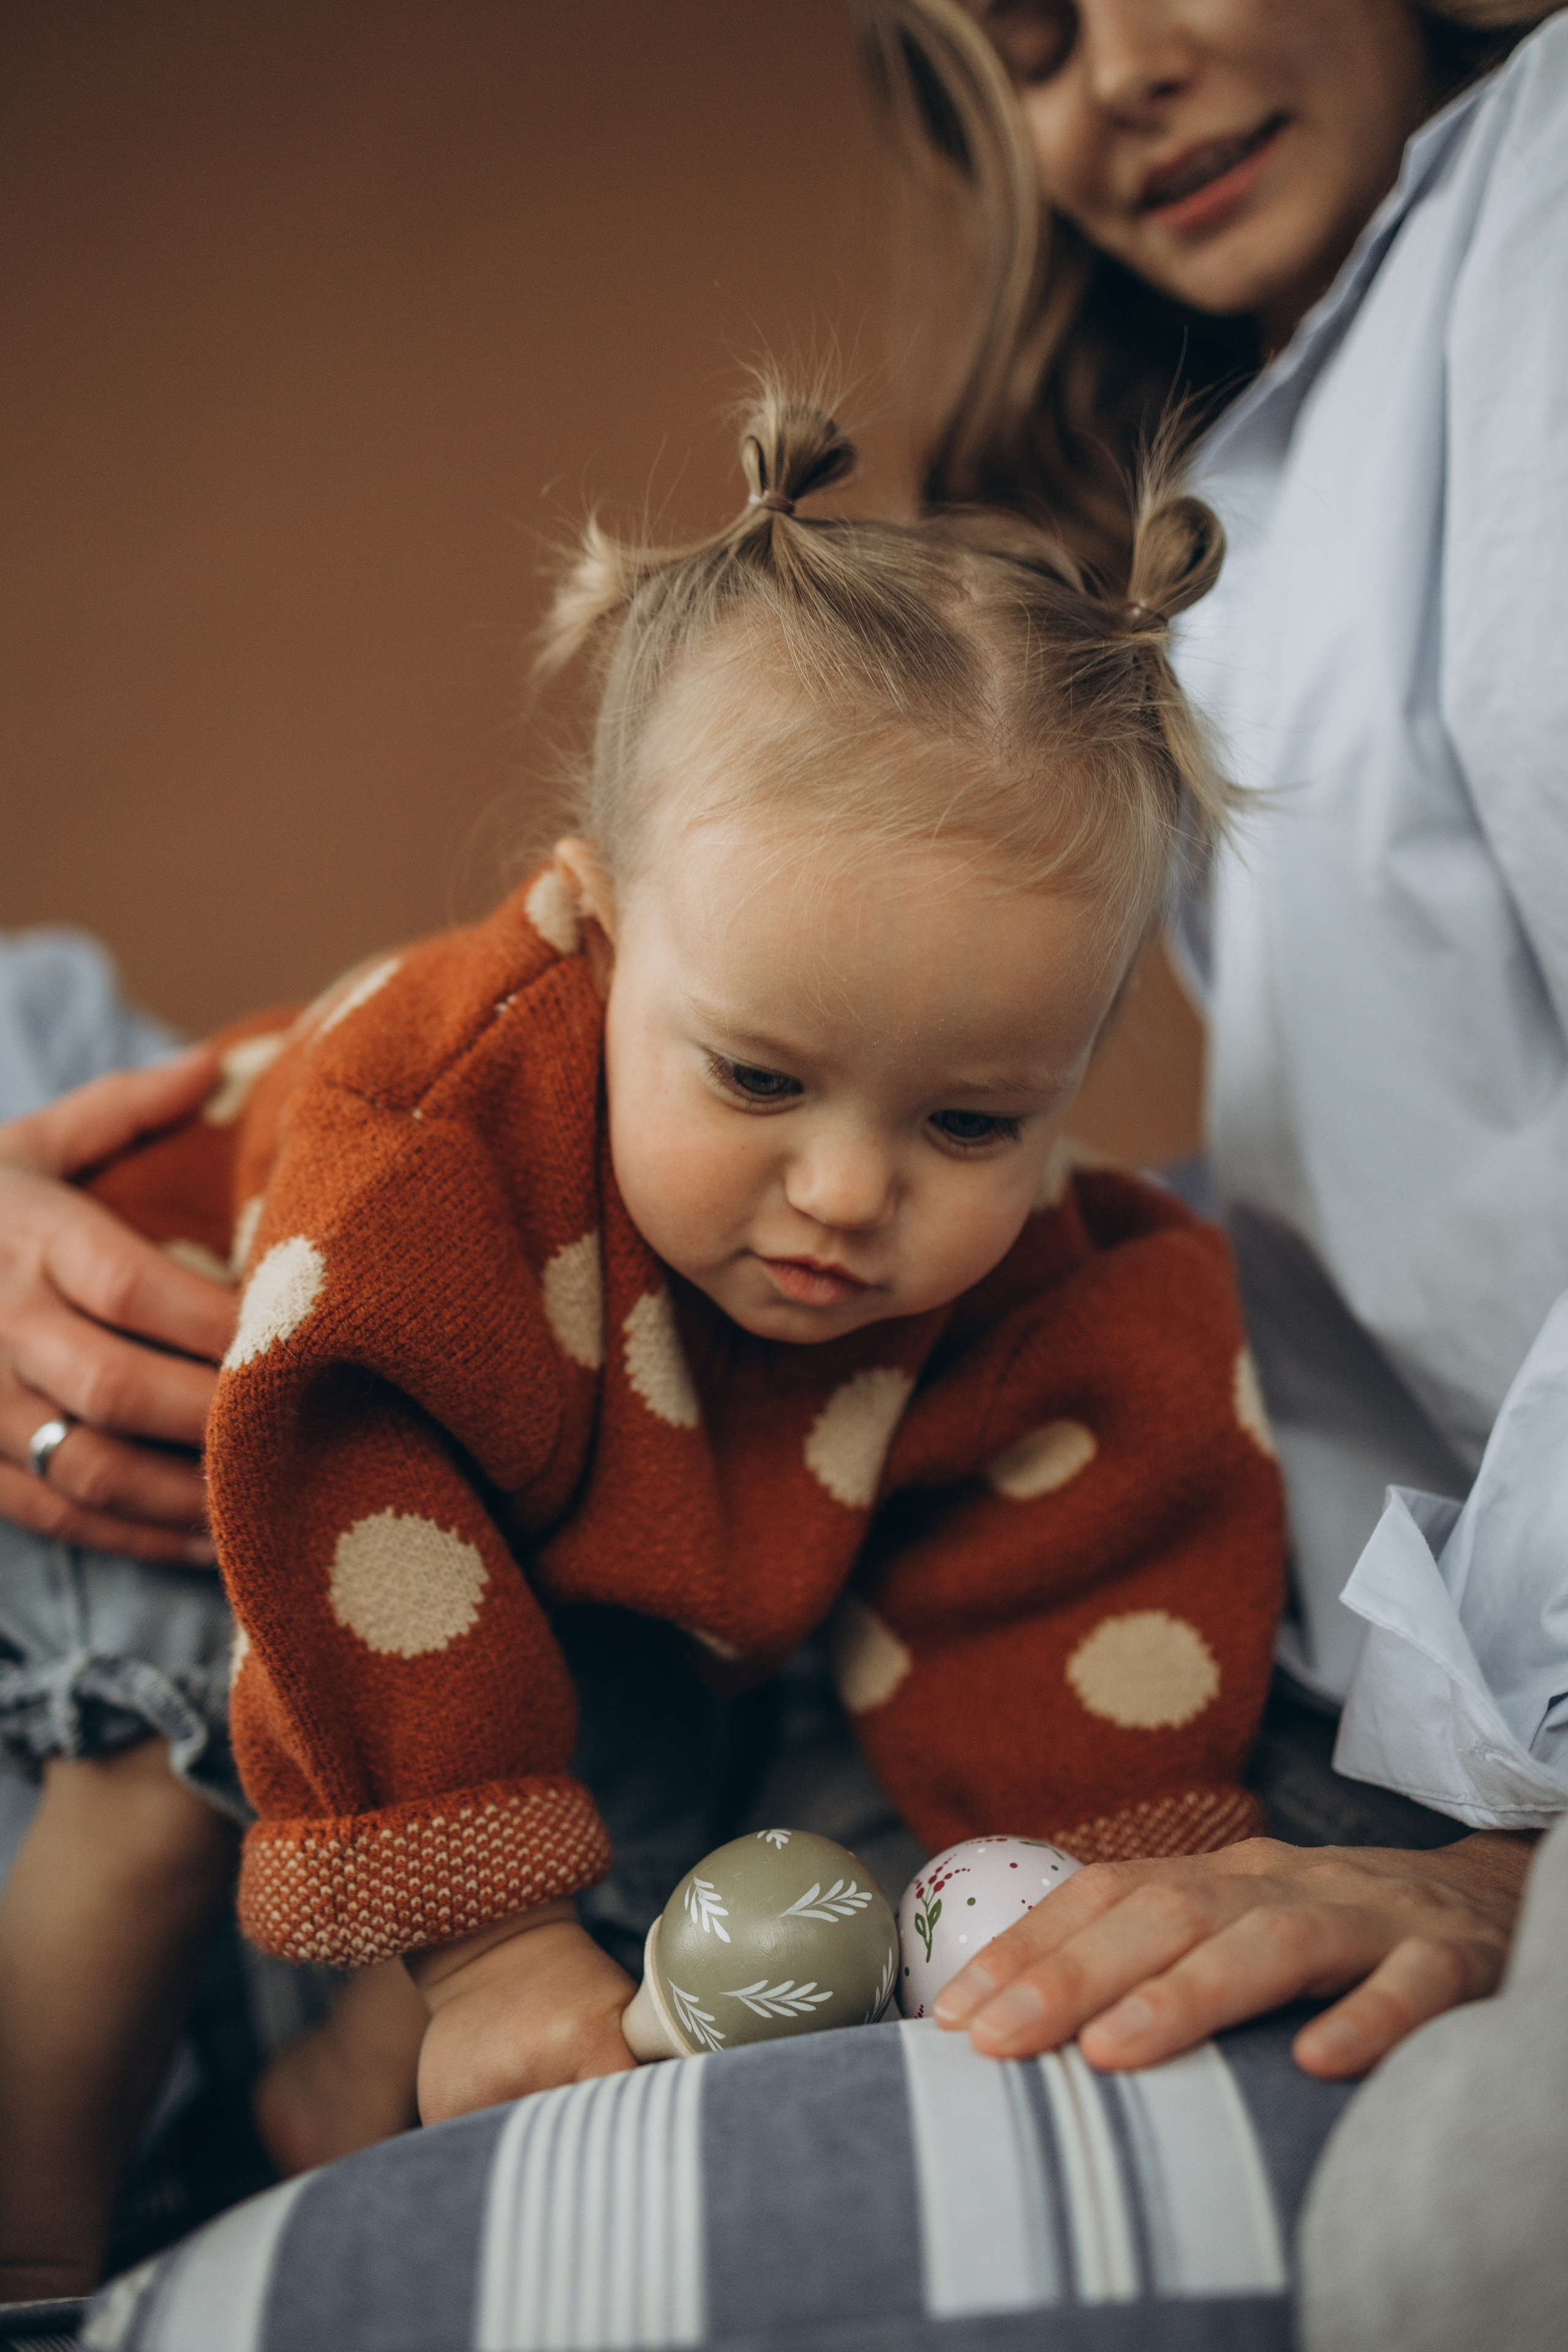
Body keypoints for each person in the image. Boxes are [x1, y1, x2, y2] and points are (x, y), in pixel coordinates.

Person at [2, 375, 1292, 2282]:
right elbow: (351, 1502)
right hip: (215, 1427)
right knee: (167, 1743)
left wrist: (1112, 1861)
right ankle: (38, 2241)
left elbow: (1092, 1531)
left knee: (648, 1804)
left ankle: (329, 2097)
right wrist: (490, 1945)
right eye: (758, 1078)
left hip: (562, 1522)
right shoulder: (434, 1148)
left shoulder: (1050, 1279)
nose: (846, 1192)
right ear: (598, 931)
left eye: (969, 1122)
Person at [848, 0, 1564, 2087]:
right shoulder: (1225, 481)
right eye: (1029, 47)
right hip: (1335, 1639)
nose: (1119, 82)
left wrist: (1508, 1871)